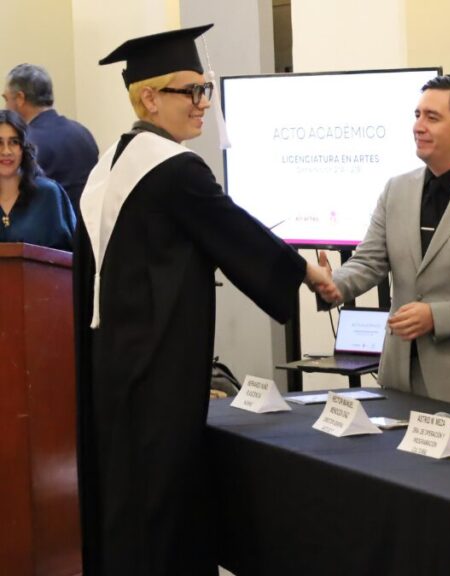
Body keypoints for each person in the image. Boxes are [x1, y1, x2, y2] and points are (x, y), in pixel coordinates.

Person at [73, 25, 339, 575]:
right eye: (190, 90)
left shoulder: (108, 165)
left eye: (205, 88)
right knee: (162, 500)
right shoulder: (172, 168)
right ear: (150, 98)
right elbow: (232, 229)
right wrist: (306, 272)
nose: (202, 103)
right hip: (156, 369)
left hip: (111, 367)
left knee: (123, 495)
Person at [319, 74, 450, 407]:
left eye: (432, 118)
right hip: (397, 378)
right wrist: (332, 284)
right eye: (417, 115)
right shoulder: (396, 190)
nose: (418, 126)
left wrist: (437, 316)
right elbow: (369, 262)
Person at [4, 63, 99, 207]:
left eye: (6, 99)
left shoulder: (24, 144)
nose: (5, 107)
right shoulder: (83, 133)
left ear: (20, 98)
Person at [0, 109, 75, 249]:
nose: (6, 151)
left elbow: (72, 254)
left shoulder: (49, 194)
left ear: (23, 148)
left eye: (14, 142)